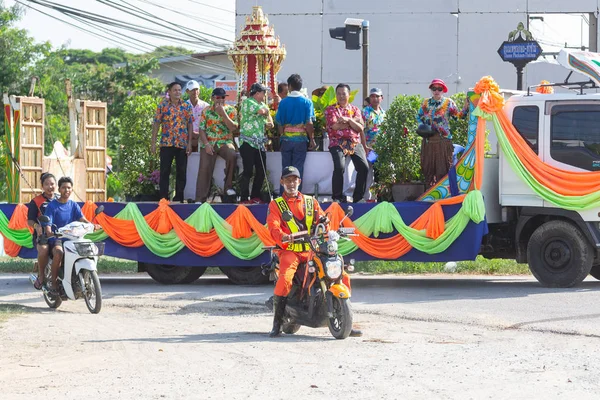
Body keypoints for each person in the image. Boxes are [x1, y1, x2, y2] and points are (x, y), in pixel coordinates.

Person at [266, 166, 361, 337]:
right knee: (286, 277)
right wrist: (284, 237)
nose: (291, 183)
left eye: (294, 179)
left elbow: (322, 219)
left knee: (341, 274)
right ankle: (277, 322)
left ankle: (346, 319)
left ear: (299, 181)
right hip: (290, 251)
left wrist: (328, 227)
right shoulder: (276, 205)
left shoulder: (311, 202)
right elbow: (273, 227)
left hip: (313, 249)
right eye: (288, 180)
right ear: (282, 182)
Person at [41, 177, 99, 295]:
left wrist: (91, 224)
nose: (66, 190)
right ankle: (54, 283)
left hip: (73, 238)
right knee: (59, 253)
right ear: (59, 189)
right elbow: (47, 223)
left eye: (69, 187)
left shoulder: (73, 205)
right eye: (64, 187)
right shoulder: (52, 206)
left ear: (72, 189)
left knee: (89, 250)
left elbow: (81, 218)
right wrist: (49, 230)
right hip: (58, 238)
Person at [417, 78, 469, 188]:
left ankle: (443, 197)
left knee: (443, 170)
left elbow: (458, 117)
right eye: (434, 88)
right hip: (428, 141)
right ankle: (429, 198)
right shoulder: (425, 103)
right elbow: (419, 117)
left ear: (443, 90)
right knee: (428, 170)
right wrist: (422, 127)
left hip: (443, 141)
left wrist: (466, 107)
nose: (436, 91)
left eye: (439, 89)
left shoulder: (448, 103)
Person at [325, 83, 369, 203]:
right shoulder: (331, 109)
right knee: (339, 167)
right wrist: (352, 123)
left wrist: (348, 119)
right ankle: (337, 197)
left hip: (354, 142)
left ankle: (358, 197)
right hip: (337, 142)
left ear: (349, 95)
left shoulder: (355, 109)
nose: (341, 96)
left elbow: (360, 128)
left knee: (364, 167)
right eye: (338, 94)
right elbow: (335, 126)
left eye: (344, 94)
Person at [151, 82, 194, 202]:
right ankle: (163, 197)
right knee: (165, 171)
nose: (178, 92)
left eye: (179, 90)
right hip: (166, 143)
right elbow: (156, 124)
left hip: (182, 144)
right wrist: (153, 143)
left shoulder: (186, 106)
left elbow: (190, 124)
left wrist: (189, 143)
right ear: (169, 92)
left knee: (181, 171)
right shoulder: (162, 105)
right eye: (175, 90)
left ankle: (179, 197)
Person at [195, 87, 238, 203]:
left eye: (223, 97)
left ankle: (228, 187)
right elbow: (201, 129)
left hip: (225, 141)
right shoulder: (206, 111)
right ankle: (200, 198)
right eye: (218, 97)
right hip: (209, 142)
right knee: (204, 167)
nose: (221, 100)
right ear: (213, 98)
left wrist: (223, 114)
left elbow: (233, 128)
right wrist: (206, 144)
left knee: (232, 155)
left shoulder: (231, 110)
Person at [275, 74, 316, 194]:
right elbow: (309, 123)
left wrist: (282, 135)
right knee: (298, 169)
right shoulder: (307, 102)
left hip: (286, 140)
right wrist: (312, 139)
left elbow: (279, 123)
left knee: (285, 169)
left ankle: (284, 195)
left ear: (290, 86)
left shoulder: (283, 103)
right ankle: (297, 196)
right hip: (301, 140)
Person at [239, 82, 274, 204]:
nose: (265, 94)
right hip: (247, 142)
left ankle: (255, 195)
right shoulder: (248, 102)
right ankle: (243, 197)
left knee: (261, 170)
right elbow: (262, 112)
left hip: (259, 143)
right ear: (257, 93)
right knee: (248, 170)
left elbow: (270, 121)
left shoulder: (263, 104)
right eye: (264, 92)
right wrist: (266, 112)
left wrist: (269, 122)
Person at [27, 172, 57, 290]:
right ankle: (42, 276)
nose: (50, 187)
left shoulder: (61, 198)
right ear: (42, 186)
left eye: (52, 184)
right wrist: (37, 226)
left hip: (60, 234)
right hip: (43, 236)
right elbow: (29, 220)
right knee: (44, 250)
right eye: (47, 184)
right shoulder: (36, 201)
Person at [362, 87, 386, 201]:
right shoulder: (365, 112)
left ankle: (380, 196)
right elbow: (361, 130)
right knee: (369, 173)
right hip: (369, 148)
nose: (375, 99)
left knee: (380, 173)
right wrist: (364, 146)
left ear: (382, 98)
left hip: (381, 149)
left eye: (377, 96)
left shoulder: (383, 113)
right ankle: (369, 198)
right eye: (372, 96)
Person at [185, 80, 209, 152]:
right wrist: (192, 134)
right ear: (187, 91)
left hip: (203, 139)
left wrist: (199, 134)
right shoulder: (183, 106)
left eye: (196, 89)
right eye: (192, 90)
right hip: (187, 139)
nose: (195, 92)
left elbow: (209, 123)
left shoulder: (206, 106)